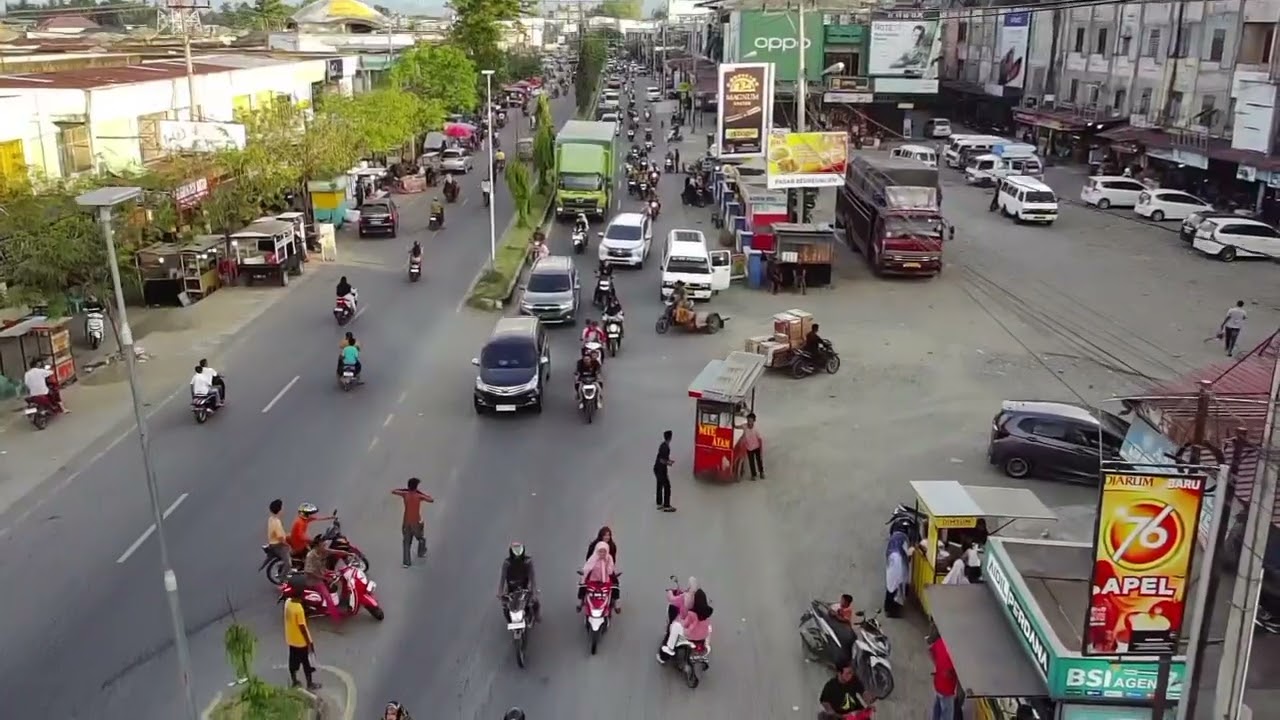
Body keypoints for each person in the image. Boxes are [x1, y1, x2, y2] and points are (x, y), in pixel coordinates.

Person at [284, 575, 321, 690]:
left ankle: (294, 681)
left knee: (292, 660)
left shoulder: (288, 603)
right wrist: (309, 643)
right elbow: (302, 627)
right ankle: (310, 684)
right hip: (301, 642)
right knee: (306, 662)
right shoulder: (298, 608)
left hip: (291, 639)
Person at [658, 588, 712, 661]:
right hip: (702, 636)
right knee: (709, 628)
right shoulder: (706, 613)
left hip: (690, 635)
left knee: (675, 626)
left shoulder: (691, 613)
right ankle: (707, 645)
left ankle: (669, 649)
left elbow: (684, 623)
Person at [392, 478, 434, 568]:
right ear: (416, 487)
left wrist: (405, 490)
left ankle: (406, 563)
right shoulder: (418, 496)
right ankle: (421, 552)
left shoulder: (405, 494)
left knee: (406, 543)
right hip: (416, 523)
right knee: (421, 539)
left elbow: (394, 491)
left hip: (406, 522)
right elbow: (431, 499)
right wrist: (420, 492)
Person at [303, 537, 349, 617]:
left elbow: (333, 551)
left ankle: (343, 597)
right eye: (323, 545)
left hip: (323, 572)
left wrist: (347, 553)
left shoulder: (322, 551)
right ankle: (334, 614)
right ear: (317, 546)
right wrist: (325, 578)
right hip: (314, 579)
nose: (325, 547)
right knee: (327, 595)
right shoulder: (310, 556)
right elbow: (309, 572)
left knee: (339, 576)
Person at [498, 542, 541, 623]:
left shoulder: (528, 561)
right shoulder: (507, 563)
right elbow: (502, 578)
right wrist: (500, 592)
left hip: (524, 585)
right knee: (505, 605)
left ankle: (536, 616)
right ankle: (509, 620)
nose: (517, 554)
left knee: (534, 602)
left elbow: (532, 577)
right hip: (511, 587)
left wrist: (534, 590)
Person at [577, 541, 619, 612]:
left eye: (604, 551)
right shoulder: (593, 558)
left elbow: (610, 570)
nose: (602, 553)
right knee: (583, 587)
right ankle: (581, 603)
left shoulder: (609, 558)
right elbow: (587, 567)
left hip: (605, 581)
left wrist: (606, 562)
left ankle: (615, 604)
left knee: (615, 587)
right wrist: (583, 574)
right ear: (597, 551)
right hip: (593, 580)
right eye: (600, 551)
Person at [930, 636, 959, 720]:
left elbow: (931, 651)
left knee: (938, 704)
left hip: (938, 683)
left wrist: (937, 665)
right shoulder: (954, 654)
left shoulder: (940, 642)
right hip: (947, 690)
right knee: (947, 714)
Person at [737, 412, 765, 480]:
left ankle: (761, 472)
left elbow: (760, 439)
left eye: (751, 420)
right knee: (751, 462)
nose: (749, 422)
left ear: (753, 421)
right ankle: (753, 475)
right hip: (749, 448)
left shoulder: (756, 429)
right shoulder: (744, 426)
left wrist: (761, 449)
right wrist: (734, 426)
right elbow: (738, 427)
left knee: (759, 461)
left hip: (756, 447)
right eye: (748, 420)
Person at [654, 429, 675, 512]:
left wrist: (668, 461)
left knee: (659, 485)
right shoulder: (666, 447)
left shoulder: (662, 445)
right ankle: (666, 505)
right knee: (667, 486)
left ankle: (659, 503)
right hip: (661, 470)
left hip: (656, 468)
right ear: (670, 437)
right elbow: (662, 460)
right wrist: (669, 463)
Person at [266, 499, 291, 567]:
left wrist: (287, 535)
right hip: (278, 545)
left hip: (273, 542)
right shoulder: (277, 522)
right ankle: (285, 573)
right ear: (279, 510)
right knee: (288, 564)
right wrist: (287, 545)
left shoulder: (271, 519)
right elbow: (280, 538)